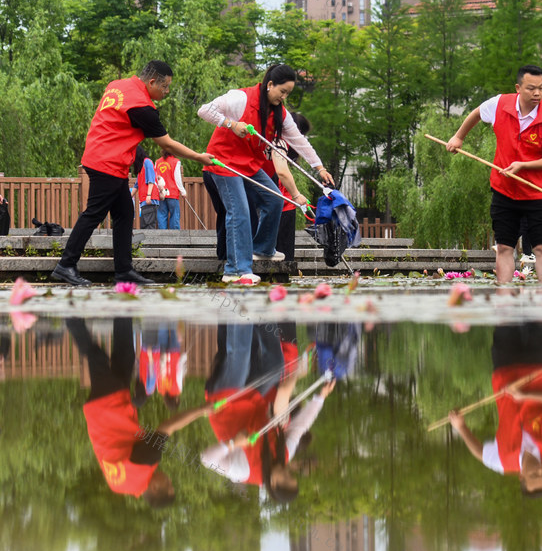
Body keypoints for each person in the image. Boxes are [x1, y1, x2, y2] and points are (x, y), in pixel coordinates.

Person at [51, 61, 214, 286]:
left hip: (104, 157)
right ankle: (66, 265)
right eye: (165, 87)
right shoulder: (142, 107)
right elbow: (166, 143)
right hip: (106, 161)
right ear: (152, 82)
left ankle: (124, 271)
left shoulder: (118, 85)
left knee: (124, 214)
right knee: (94, 214)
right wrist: (198, 156)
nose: (166, 92)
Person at [197, 64, 332, 286]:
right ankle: (235, 270)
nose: (284, 97)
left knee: (274, 199)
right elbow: (204, 110)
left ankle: (262, 248)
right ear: (270, 85)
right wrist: (231, 124)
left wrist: (319, 168)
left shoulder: (280, 113)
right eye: (283, 91)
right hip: (224, 162)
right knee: (239, 211)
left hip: (248, 164)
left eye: (288, 93)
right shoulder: (240, 98)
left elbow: (299, 140)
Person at [68, 317, 210, 506]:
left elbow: (167, 427)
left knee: (96, 357)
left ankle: (70, 318)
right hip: (109, 412)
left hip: (108, 408)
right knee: (125, 357)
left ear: (156, 489)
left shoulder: (145, 466)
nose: (168, 478)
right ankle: (122, 303)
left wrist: (201, 410)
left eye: (168, 484)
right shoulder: (120, 487)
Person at [446, 65, 542, 283]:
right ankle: (504, 296)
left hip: (537, 193)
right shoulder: (500, 104)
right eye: (531, 88)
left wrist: (523, 166)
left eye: (541, 88)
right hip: (504, 190)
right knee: (504, 247)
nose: (537, 93)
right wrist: (459, 137)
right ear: (518, 88)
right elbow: (477, 113)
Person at [201, 322, 333, 502]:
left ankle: (237, 301)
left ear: (273, 484)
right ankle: (263, 313)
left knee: (240, 354)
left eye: (285, 478)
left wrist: (233, 444)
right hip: (251, 400)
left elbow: (207, 460)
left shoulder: (243, 472)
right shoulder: (284, 454)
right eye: (291, 476)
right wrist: (321, 398)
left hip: (225, 405)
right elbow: (301, 426)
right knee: (275, 365)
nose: (287, 472)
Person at [448, 322, 542, 496]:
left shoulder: (502, 461)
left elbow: (480, 453)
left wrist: (461, 427)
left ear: (521, 477)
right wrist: (524, 396)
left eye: (534, 474)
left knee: (505, 315)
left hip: (505, 369)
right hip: (540, 366)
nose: (540, 470)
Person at [265, 112, 313, 262]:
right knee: (280, 254)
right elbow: (281, 173)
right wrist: (296, 195)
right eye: (301, 134)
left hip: (287, 204)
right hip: (279, 203)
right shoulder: (278, 143)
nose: (302, 139)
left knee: (285, 255)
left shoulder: (284, 147)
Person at [154, 149, 186, 230]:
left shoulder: (157, 162)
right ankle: (175, 238)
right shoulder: (176, 162)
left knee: (161, 215)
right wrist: (182, 191)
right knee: (174, 215)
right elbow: (177, 178)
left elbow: (155, 178)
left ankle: (162, 238)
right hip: (172, 192)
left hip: (161, 193)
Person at [131, 145, 159, 230]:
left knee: (148, 225)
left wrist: (149, 195)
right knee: (144, 225)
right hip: (144, 200)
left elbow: (151, 180)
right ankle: (146, 243)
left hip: (150, 199)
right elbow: (137, 185)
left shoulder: (147, 162)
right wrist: (130, 196)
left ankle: (149, 243)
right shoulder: (141, 167)